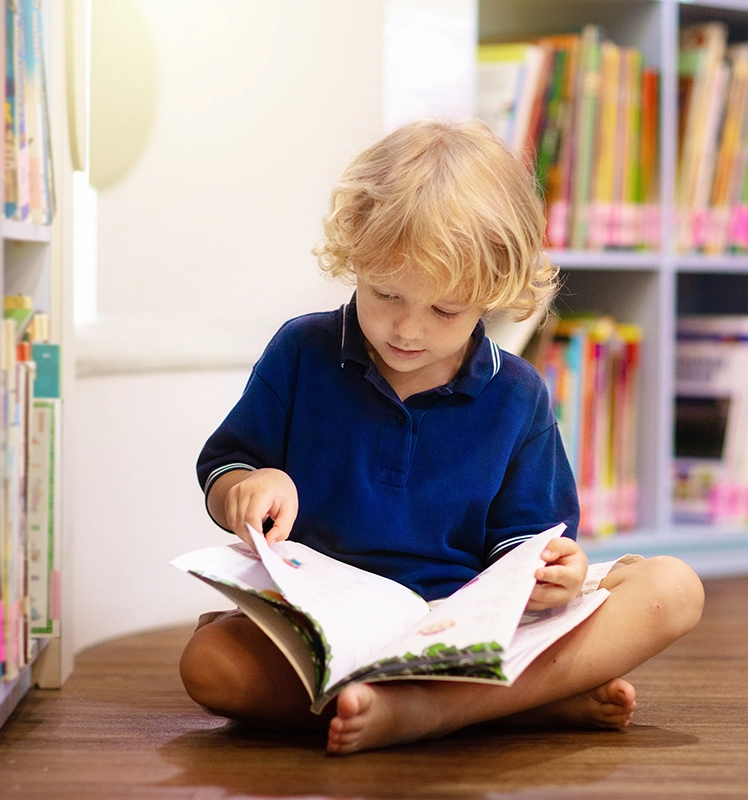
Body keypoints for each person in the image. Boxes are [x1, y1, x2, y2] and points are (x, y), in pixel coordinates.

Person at [179, 118, 704, 755]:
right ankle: (510, 705)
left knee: (673, 589)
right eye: (384, 293)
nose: (406, 328)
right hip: (327, 624)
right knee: (210, 665)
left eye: (445, 310)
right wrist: (246, 486)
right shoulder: (301, 351)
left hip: (467, 628)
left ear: (493, 293)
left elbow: (530, 547)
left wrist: (552, 574)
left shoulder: (519, 394)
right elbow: (227, 466)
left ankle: (429, 709)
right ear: (355, 258)